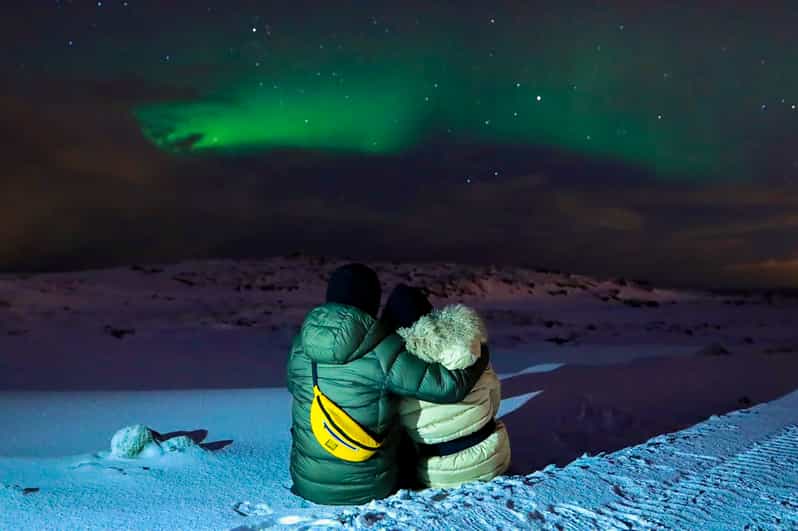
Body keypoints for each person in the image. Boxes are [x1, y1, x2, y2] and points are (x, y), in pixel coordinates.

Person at [286, 264, 489, 505]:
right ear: (372, 300)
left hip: (306, 482)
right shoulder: (381, 348)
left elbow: (294, 387)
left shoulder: (300, 346)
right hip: (368, 487)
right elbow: (448, 387)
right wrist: (480, 351)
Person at [382, 284, 511, 489]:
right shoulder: (470, 345)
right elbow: (494, 399)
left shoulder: (397, 366)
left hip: (440, 475)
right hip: (495, 457)